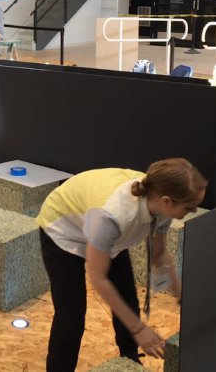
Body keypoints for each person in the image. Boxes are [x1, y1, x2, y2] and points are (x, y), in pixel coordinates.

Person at [36, 158, 207, 370]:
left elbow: (160, 255)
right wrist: (139, 329)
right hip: (62, 229)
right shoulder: (114, 216)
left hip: (104, 232)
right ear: (167, 201)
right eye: (190, 207)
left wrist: (183, 299)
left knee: (128, 301)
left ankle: (128, 359)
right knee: (71, 318)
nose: (194, 211)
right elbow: (98, 278)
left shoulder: (161, 204)